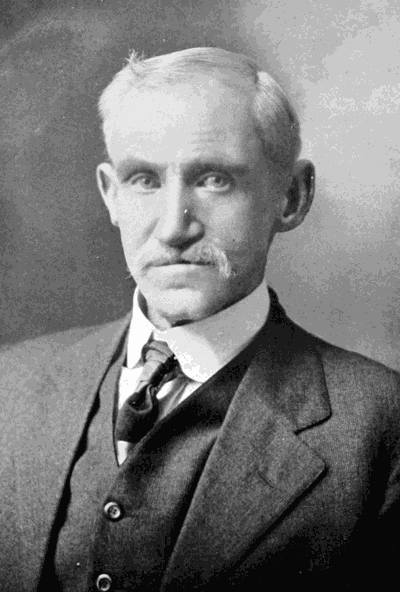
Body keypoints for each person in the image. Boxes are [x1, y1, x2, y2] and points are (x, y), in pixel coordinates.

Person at [0, 47, 399, 592]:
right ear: (110, 195)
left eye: (213, 179)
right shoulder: (11, 385)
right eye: (144, 180)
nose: (173, 228)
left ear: (291, 197)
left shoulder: (381, 423)